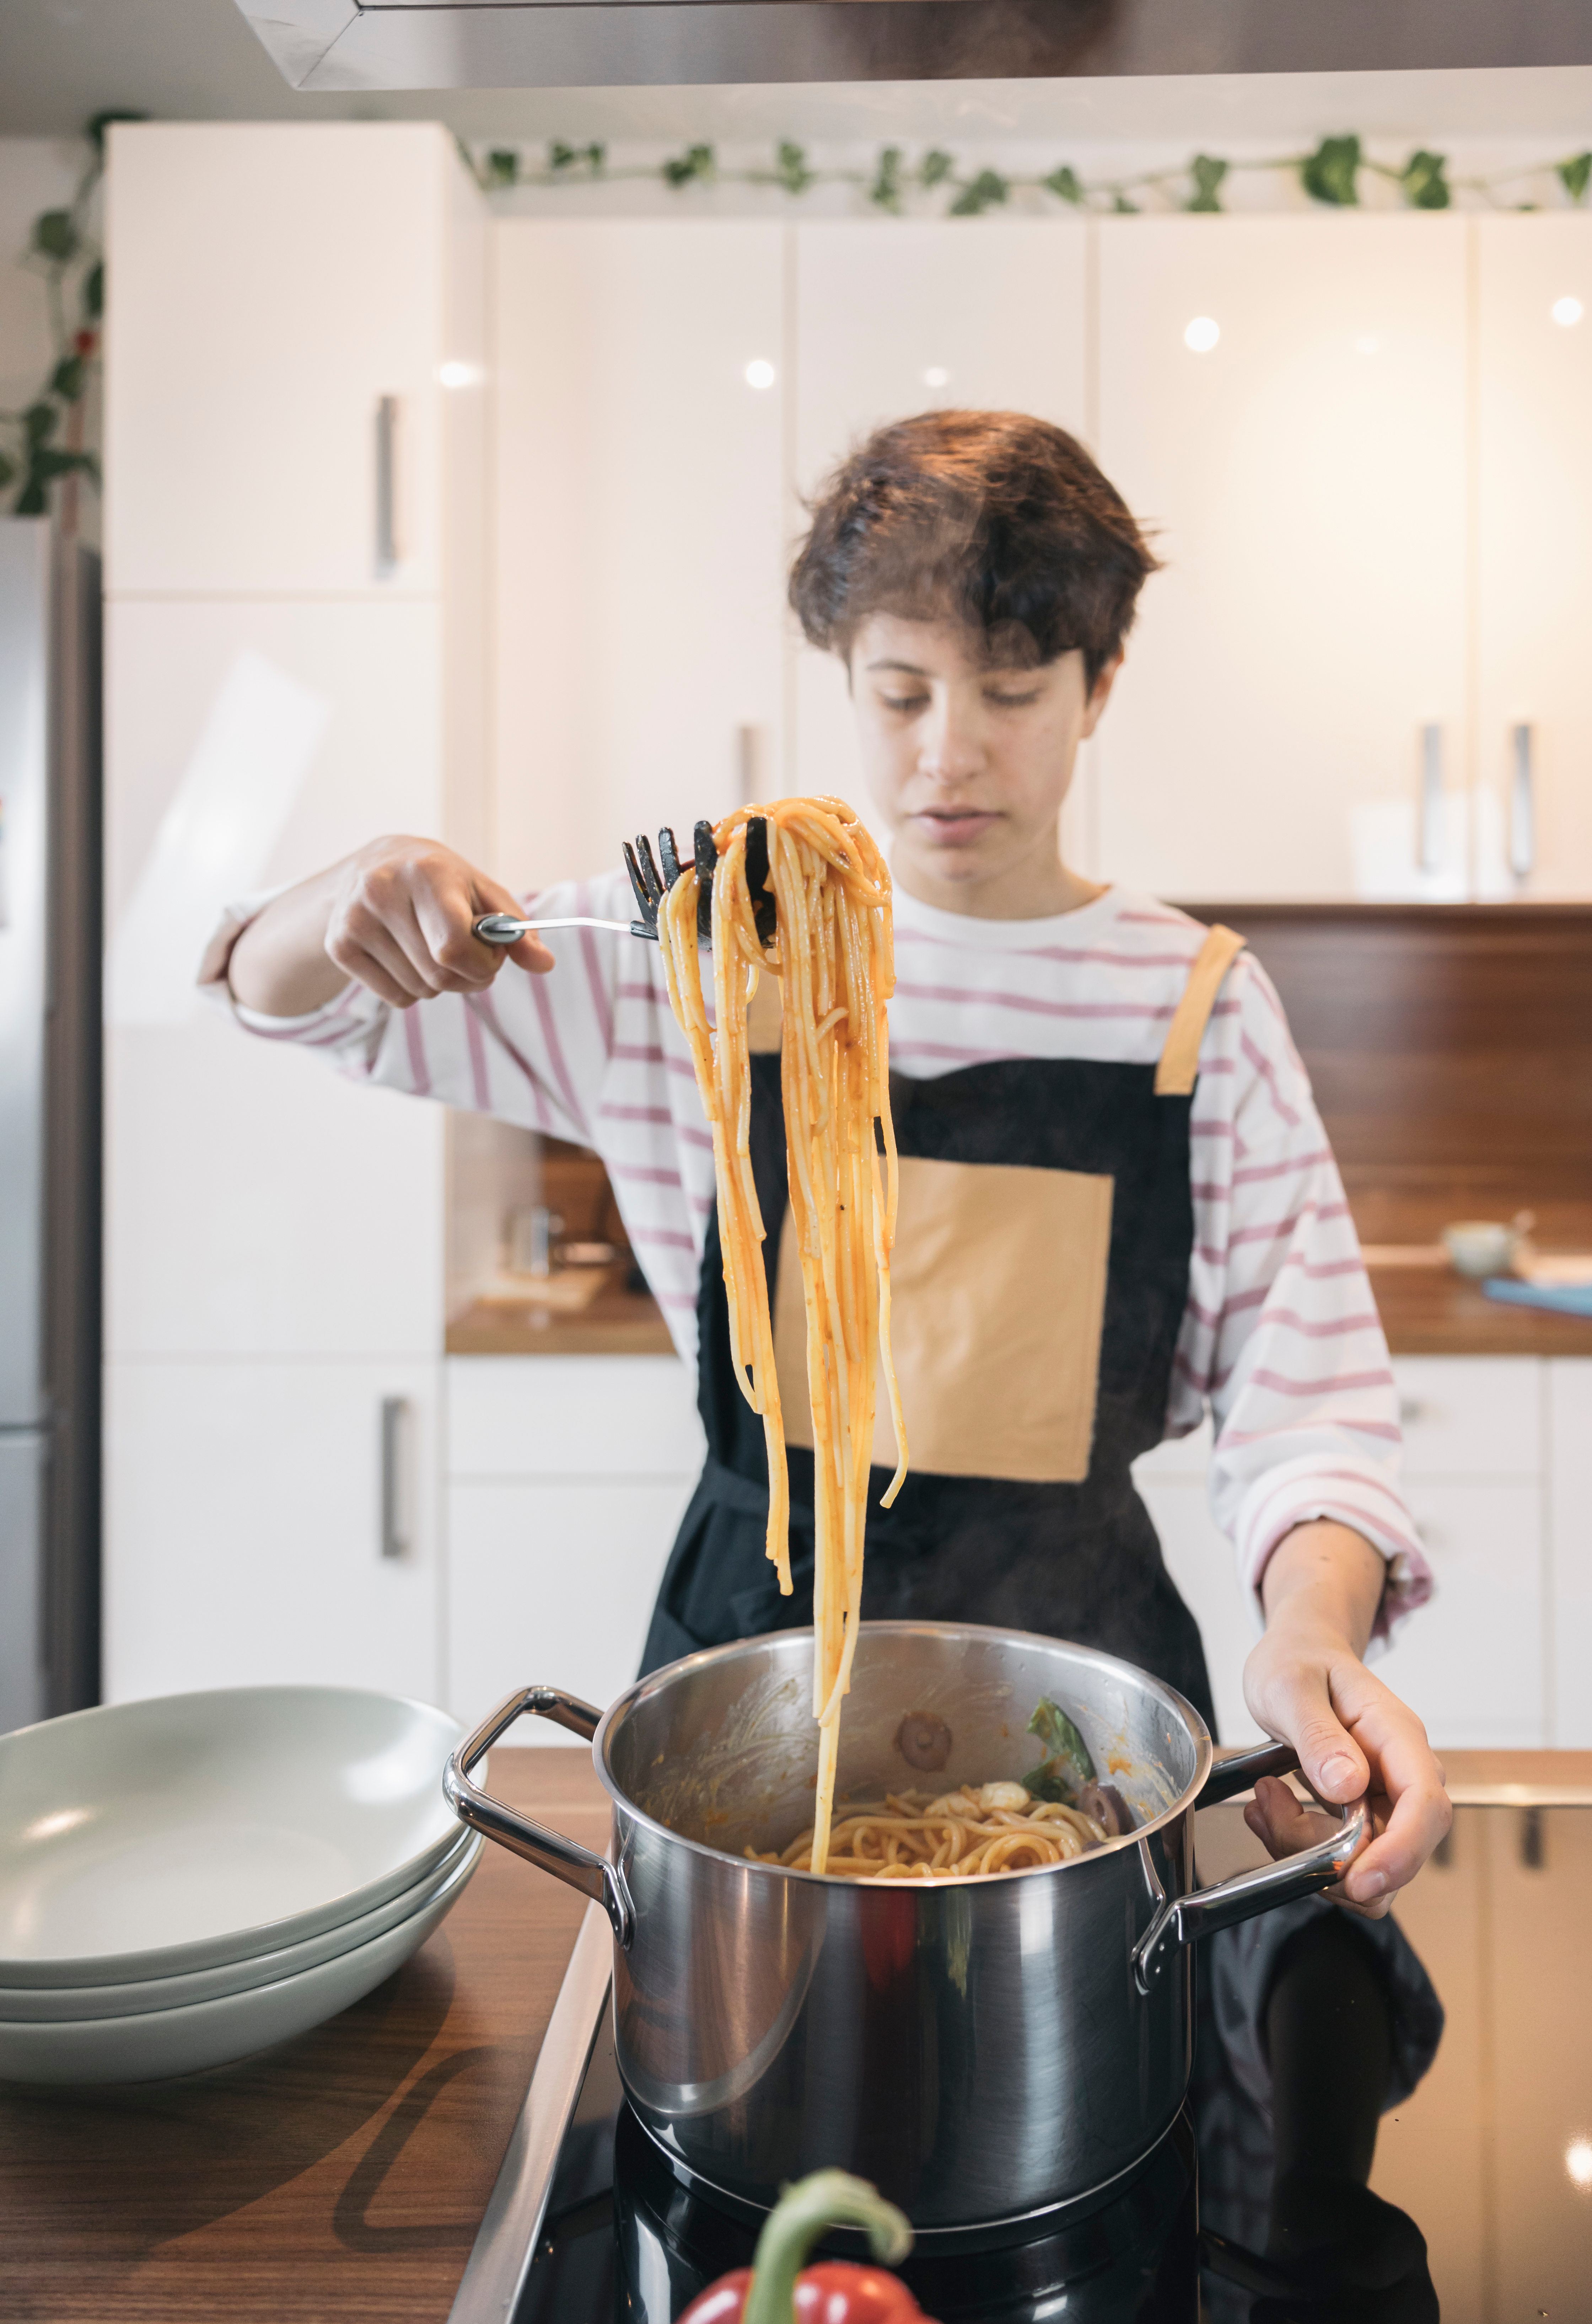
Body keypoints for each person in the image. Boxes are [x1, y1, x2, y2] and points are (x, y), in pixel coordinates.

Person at [207, 409, 1451, 1919]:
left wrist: (1310, 1630)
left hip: (1090, 1680)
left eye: (1008, 692)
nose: (949, 756)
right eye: (901, 691)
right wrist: (337, 901)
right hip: (748, 1661)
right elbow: (299, 1006)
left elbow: (1308, 1405)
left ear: (1098, 685)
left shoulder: (1192, 1003)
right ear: (845, 676)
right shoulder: (700, 954)